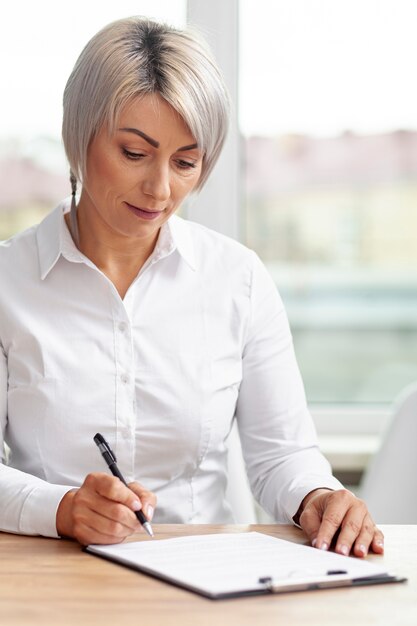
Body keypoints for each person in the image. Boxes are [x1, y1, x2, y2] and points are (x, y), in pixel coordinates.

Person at [0, 16, 383, 557]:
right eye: (134, 153)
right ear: (78, 138)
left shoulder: (238, 280)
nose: (160, 189)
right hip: (51, 575)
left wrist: (318, 496)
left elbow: (281, 457)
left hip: (206, 579)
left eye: (186, 162)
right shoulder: (7, 284)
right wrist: (61, 509)